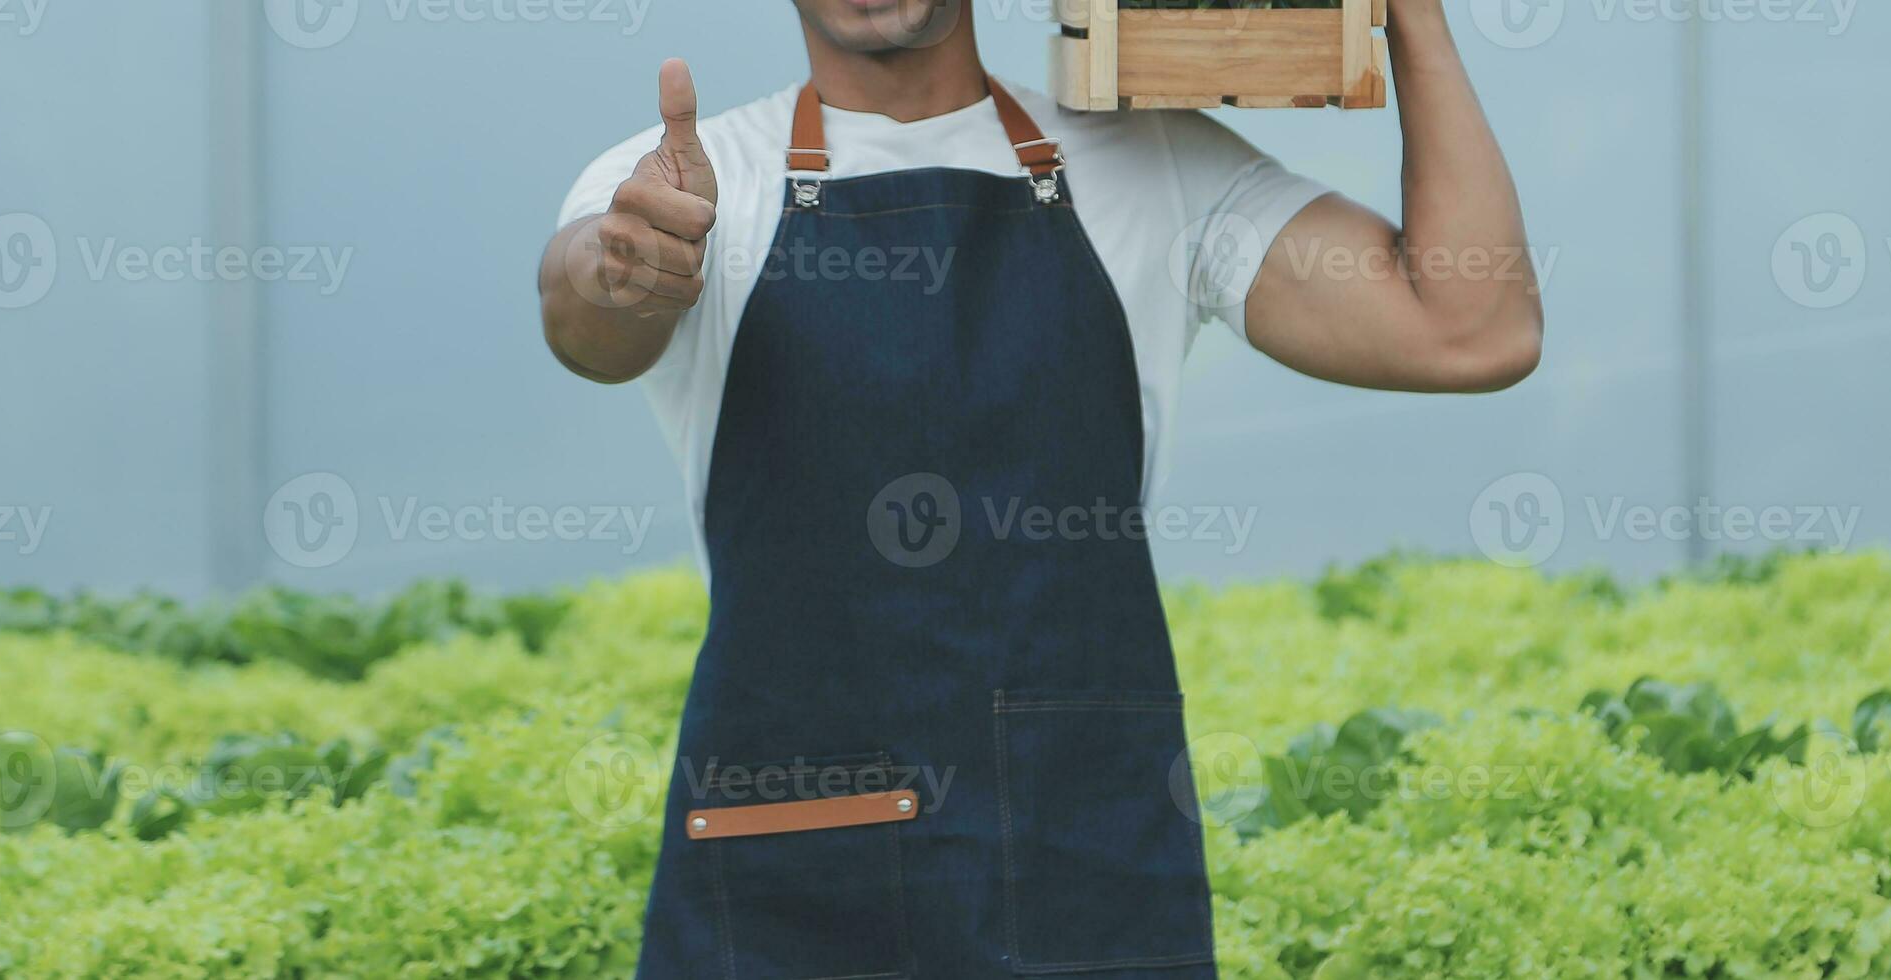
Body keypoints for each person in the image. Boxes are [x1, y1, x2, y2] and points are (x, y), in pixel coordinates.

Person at [536, 0, 1540, 975]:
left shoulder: (1151, 166)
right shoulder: (692, 183)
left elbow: (1471, 327)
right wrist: (628, 271)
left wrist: (1410, 16)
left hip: (1080, 859)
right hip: (795, 869)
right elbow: (587, 312)